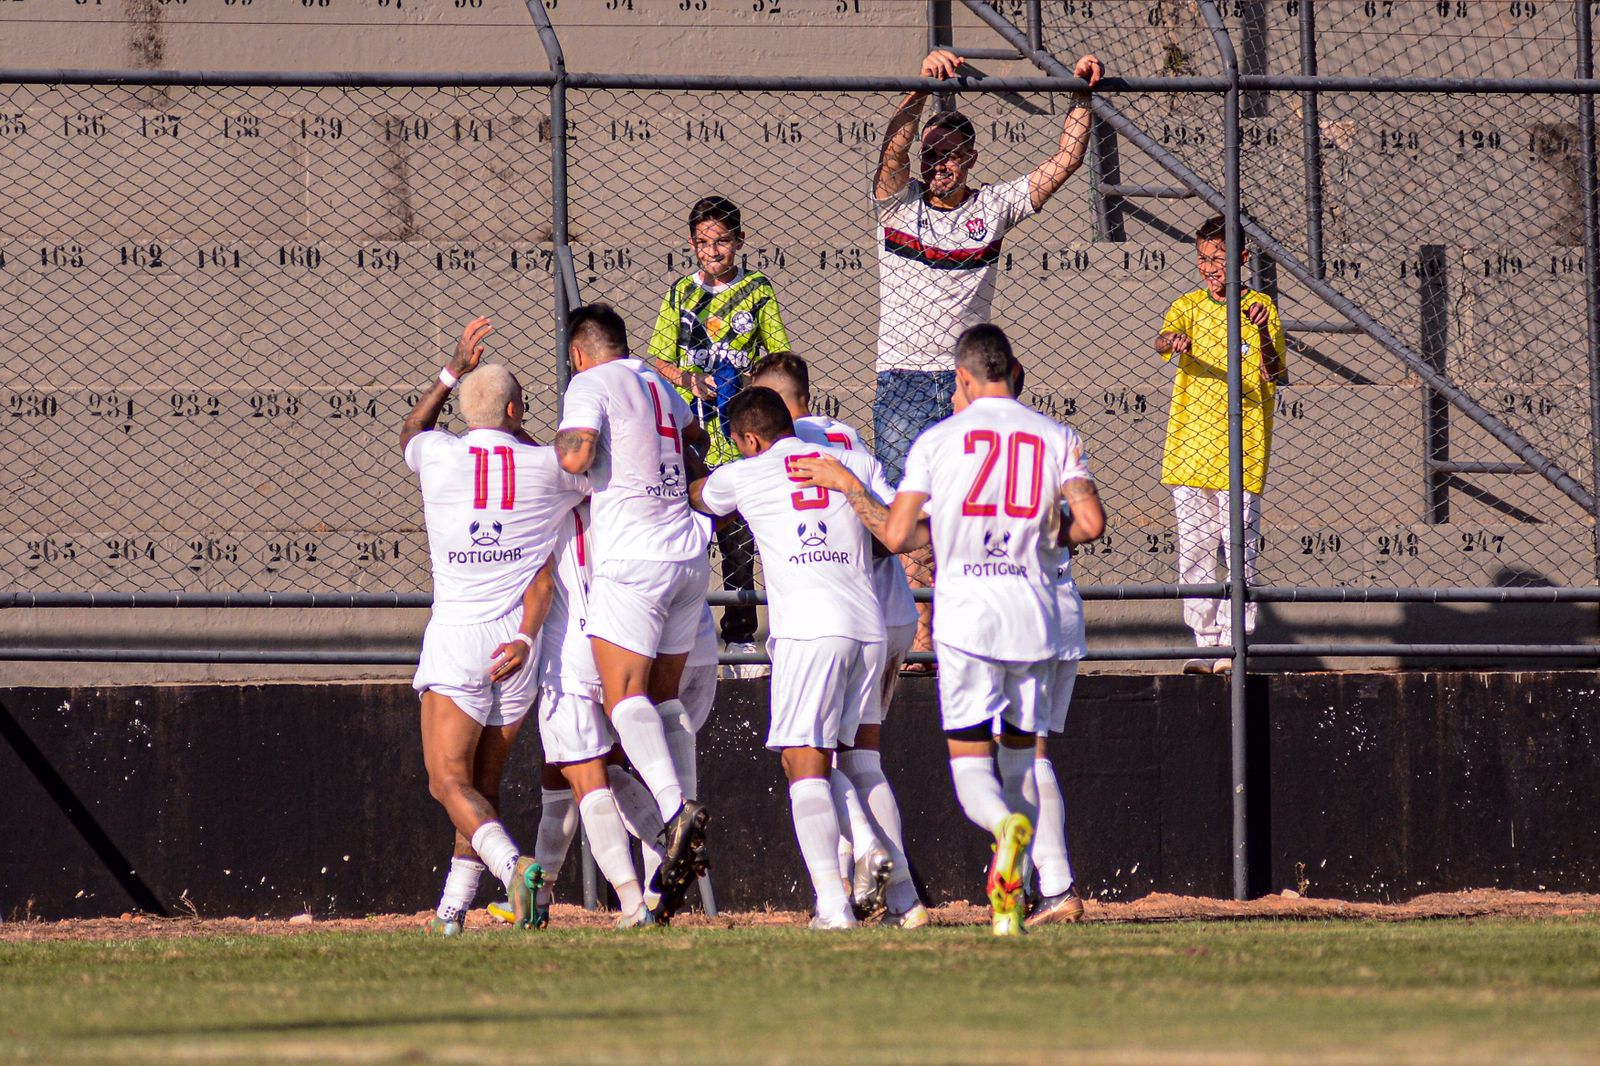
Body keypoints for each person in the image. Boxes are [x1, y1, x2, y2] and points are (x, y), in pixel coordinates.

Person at [792, 324, 1104, 936]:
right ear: (1009, 372)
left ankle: (1003, 831)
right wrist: (1036, 537)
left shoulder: (937, 442)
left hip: (968, 620)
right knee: (1024, 758)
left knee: (968, 767)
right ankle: (1035, 882)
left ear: (962, 377)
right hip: (1037, 613)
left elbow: (898, 534)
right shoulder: (1056, 434)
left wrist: (852, 489)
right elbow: (1089, 523)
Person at [872, 47, 1104, 670]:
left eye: (949, 155)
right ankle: (922, 641)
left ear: (970, 158)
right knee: (910, 509)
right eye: (931, 155)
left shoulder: (990, 208)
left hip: (966, 388)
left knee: (969, 508)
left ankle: (967, 629)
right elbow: (892, 151)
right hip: (901, 379)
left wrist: (1080, 95)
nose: (937, 165)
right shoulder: (899, 205)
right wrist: (916, 88)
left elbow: (1066, 161)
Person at [403, 317, 588, 932]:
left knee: (444, 782)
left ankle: (515, 867)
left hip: (458, 639)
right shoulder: (546, 469)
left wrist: (452, 370)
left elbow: (413, 430)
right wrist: (518, 425)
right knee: (481, 786)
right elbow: (566, 468)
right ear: (515, 408)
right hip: (517, 644)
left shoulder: (439, 457)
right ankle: (451, 913)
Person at [687, 387, 890, 930]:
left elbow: (698, 494)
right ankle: (871, 850)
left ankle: (832, 905)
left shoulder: (747, 472)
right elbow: (895, 524)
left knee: (804, 766)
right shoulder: (851, 460)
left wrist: (688, 441)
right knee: (832, 759)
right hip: (868, 628)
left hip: (809, 631)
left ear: (750, 438)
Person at [749, 353, 926, 926]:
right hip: (888, 613)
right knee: (861, 758)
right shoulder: (848, 442)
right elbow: (893, 527)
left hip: (831, 619)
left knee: (812, 759)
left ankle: (849, 883)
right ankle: (902, 899)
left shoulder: (771, 453)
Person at [554, 303, 713, 923]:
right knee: (663, 703)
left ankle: (676, 813)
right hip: (687, 557)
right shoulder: (659, 384)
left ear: (579, 354)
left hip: (635, 558)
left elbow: (575, 455)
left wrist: (569, 452)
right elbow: (693, 443)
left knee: (622, 697)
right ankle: (658, 891)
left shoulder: (590, 382)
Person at [648, 196, 791, 675]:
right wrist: (687, 379)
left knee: (739, 536)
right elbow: (659, 358)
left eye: (723, 242)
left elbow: (779, 355)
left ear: (739, 242)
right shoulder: (680, 294)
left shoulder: (756, 290)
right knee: (688, 534)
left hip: (740, 437)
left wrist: (752, 379)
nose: (713, 251)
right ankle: (683, 633)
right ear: (692, 245)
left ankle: (741, 632)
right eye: (704, 243)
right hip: (693, 435)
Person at [1154, 215, 1286, 674]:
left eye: (1219, 258)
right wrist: (1173, 339)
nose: (1210, 267)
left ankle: (1234, 644)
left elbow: (1276, 372)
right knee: (1194, 550)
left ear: (1242, 260)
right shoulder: (1188, 305)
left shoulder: (1262, 307)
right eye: (1204, 258)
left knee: (1238, 550)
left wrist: (1265, 331)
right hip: (1191, 448)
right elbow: (1163, 340)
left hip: (1242, 448)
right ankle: (1205, 642)